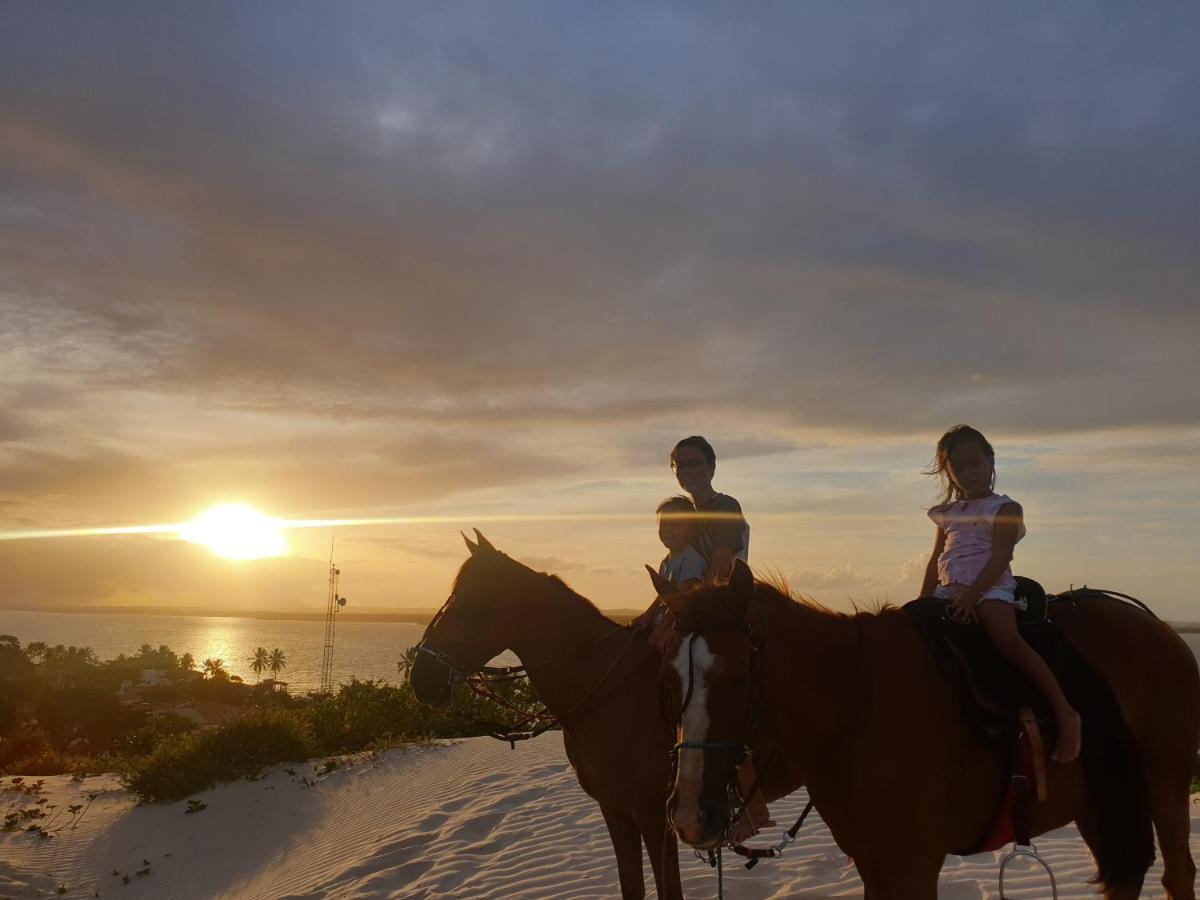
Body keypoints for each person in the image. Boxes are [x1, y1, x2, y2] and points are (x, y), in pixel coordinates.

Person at [920, 424, 1082, 763]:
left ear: (991, 461)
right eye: (958, 467)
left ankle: (1065, 712)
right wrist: (922, 600)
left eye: (974, 462)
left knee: (1006, 640)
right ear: (949, 472)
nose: (967, 472)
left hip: (990, 587)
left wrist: (974, 593)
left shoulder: (1005, 508)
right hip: (947, 589)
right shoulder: (947, 513)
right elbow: (936, 558)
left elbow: (1001, 557)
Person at [670, 435, 749, 581]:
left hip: (719, 599)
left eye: (695, 464)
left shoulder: (725, 506)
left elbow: (720, 570)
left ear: (711, 467)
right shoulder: (687, 515)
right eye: (680, 465)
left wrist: (685, 597)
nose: (687, 470)